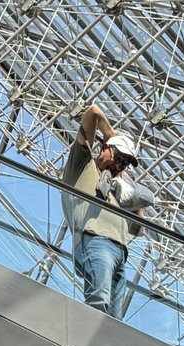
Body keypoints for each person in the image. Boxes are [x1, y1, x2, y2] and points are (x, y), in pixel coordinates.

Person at [60, 104, 143, 314]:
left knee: (114, 317)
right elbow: (93, 112)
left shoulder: (115, 192)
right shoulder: (82, 167)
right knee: (99, 300)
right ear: (104, 148)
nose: (120, 165)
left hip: (120, 252)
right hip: (95, 240)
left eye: (125, 163)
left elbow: (138, 227)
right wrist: (110, 134)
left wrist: (129, 185)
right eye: (119, 158)